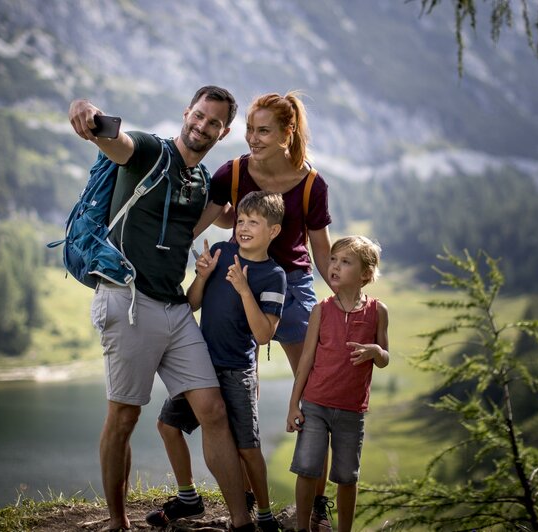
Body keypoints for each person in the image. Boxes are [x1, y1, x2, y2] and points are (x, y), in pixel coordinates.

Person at [68, 86, 256, 532]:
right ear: (186, 113)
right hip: (127, 299)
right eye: (198, 116)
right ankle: (118, 522)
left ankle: (242, 521)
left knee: (211, 410)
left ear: (224, 131)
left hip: (175, 307)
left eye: (213, 123)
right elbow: (116, 142)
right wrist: (87, 114)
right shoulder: (150, 150)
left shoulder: (203, 181)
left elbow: (227, 215)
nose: (202, 126)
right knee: (125, 415)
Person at [194, 90, 335, 529]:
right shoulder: (232, 172)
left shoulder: (312, 185)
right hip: (236, 278)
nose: (252, 138)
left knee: (313, 395)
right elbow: (200, 223)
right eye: (250, 129)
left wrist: (351, 300)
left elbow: (321, 252)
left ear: (287, 134)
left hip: (290, 287)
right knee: (241, 397)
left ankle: (315, 504)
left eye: (263, 131)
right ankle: (253, 497)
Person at [146, 191, 287, 531]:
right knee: (167, 426)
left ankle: (264, 514)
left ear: (274, 231)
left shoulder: (273, 275)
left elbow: (265, 334)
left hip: (237, 370)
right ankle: (187, 496)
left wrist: (243, 289)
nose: (244, 227)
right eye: (240, 220)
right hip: (200, 364)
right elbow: (191, 304)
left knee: (247, 448)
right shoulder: (222, 252)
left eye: (254, 222)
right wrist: (204, 275)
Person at [285, 236, 390, 532]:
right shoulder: (320, 310)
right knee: (306, 470)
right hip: (315, 404)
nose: (334, 266)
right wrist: (294, 404)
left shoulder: (378, 311)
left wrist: (375, 351)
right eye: (333, 259)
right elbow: (305, 359)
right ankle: (303, 528)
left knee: (347, 477)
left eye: (345, 262)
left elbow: (384, 358)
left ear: (365, 275)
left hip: (352, 410)